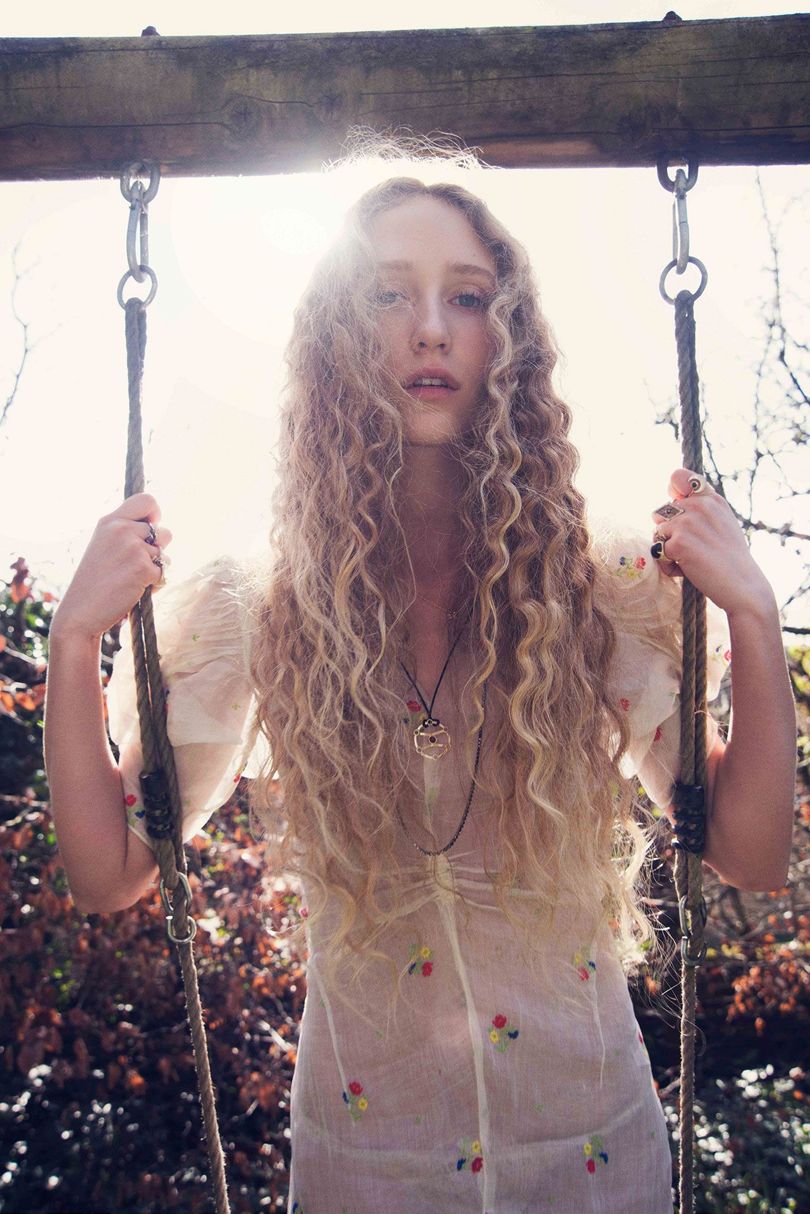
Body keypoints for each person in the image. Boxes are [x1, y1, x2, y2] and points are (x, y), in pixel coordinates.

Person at [43, 157, 796, 1214]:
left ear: (510, 336)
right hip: (367, 1168)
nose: (431, 329)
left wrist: (754, 615)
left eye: (468, 297)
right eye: (388, 294)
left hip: (592, 1161)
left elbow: (752, 852)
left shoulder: (598, 585)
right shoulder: (263, 606)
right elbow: (110, 868)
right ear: (335, 336)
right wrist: (74, 639)